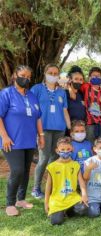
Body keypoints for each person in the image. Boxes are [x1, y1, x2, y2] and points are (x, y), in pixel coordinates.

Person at [0, 65, 44, 216]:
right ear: (14, 75)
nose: (26, 79)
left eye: (29, 77)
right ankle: (10, 203)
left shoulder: (31, 95)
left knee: (25, 171)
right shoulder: (6, 94)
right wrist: (4, 136)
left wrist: (41, 136)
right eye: (23, 75)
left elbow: (38, 117)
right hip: (12, 141)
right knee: (17, 170)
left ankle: (21, 199)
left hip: (29, 140)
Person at [31, 63, 71, 199]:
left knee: (55, 159)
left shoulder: (61, 92)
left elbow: (65, 111)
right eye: (51, 73)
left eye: (56, 74)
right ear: (45, 73)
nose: (53, 76)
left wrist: (69, 128)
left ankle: (52, 185)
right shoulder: (36, 89)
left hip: (59, 129)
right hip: (43, 129)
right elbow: (31, 110)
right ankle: (36, 188)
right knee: (43, 158)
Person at [44, 137, 88, 225]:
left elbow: (81, 182)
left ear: (72, 149)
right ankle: (61, 211)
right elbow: (48, 186)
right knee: (56, 221)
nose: (65, 151)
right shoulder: (52, 166)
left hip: (72, 197)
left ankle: (67, 211)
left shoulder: (75, 165)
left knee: (83, 208)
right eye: (62, 149)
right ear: (57, 150)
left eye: (68, 149)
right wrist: (46, 203)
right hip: (57, 199)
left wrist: (84, 195)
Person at [81, 67, 101, 143]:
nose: (96, 77)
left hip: (100, 123)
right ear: (89, 77)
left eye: (98, 76)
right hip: (89, 123)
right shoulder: (86, 86)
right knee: (90, 144)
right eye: (93, 75)